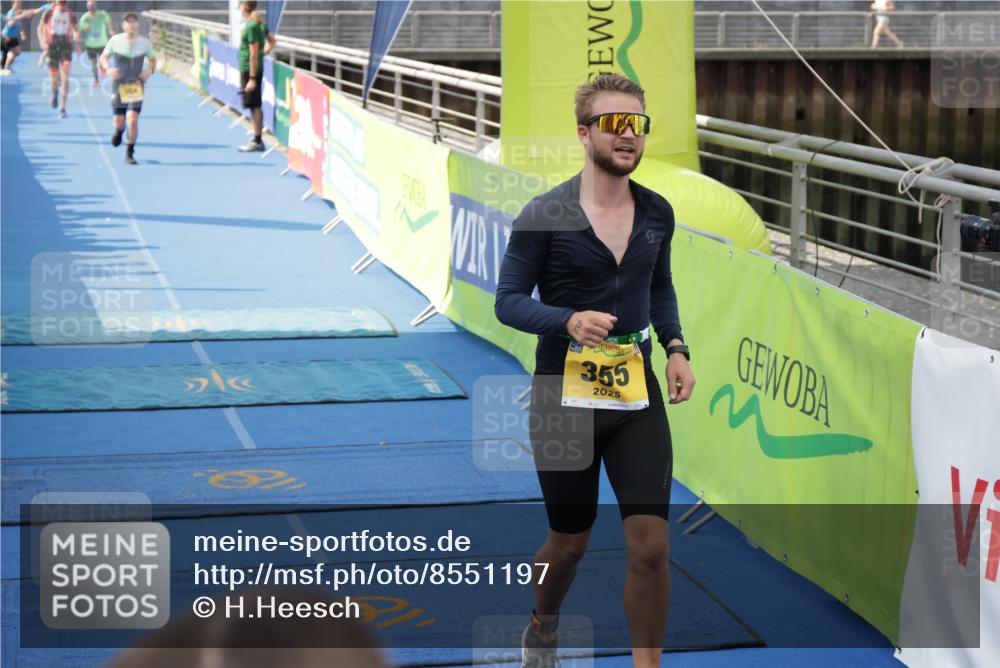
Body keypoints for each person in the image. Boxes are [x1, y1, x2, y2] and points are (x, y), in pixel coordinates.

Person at [494, 73, 695, 668]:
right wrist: (566, 320)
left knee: (651, 547)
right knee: (570, 541)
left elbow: (659, 285)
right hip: (562, 397)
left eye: (637, 123)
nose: (628, 135)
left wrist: (676, 346)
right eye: (614, 123)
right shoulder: (544, 213)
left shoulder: (658, 212)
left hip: (636, 397)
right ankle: (544, 625)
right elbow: (507, 300)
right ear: (585, 133)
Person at [99, 13, 155, 165]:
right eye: (127, 22)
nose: (131, 25)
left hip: (136, 85)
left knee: (133, 120)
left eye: (133, 22)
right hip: (119, 85)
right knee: (119, 122)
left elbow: (153, 60)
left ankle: (130, 152)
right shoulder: (115, 40)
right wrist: (108, 69)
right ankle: (119, 131)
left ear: (137, 24)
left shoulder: (145, 43)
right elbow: (103, 58)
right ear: (123, 25)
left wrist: (149, 71)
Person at [236, 0, 275, 152]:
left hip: (250, 70)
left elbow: (253, 53)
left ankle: (257, 140)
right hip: (251, 69)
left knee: (254, 105)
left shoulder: (252, 26)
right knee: (254, 105)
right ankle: (257, 138)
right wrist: (264, 52)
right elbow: (272, 41)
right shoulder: (258, 24)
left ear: (244, 7)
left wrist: (252, 78)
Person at [41, 0, 76, 117]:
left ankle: (62, 108)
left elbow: (75, 29)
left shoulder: (70, 14)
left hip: (65, 46)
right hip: (52, 46)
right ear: (55, 2)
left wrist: (76, 36)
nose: (62, 4)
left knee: (65, 77)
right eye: (60, 2)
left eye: (64, 2)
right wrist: (43, 43)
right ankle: (54, 92)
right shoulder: (49, 13)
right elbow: (41, 28)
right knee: (54, 79)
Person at [1, 1, 45, 75]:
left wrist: (22, 33)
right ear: (13, 4)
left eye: (20, 3)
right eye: (17, 3)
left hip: (13, 37)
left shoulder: (18, 12)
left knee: (17, 52)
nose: (19, 5)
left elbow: (19, 24)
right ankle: (4, 67)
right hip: (7, 36)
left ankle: (5, 63)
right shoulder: (11, 12)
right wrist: (20, 15)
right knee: (10, 54)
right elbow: (10, 23)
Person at [77, 0, 112, 86]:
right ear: (87, 6)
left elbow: (109, 20)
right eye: (89, 5)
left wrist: (110, 29)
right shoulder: (85, 17)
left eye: (92, 5)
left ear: (95, 5)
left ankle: (102, 67)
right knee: (93, 62)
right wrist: (84, 28)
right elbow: (80, 28)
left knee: (104, 59)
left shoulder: (103, 14)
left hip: (103, 43)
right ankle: (96, 80)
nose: (91, 7)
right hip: (90, 45)